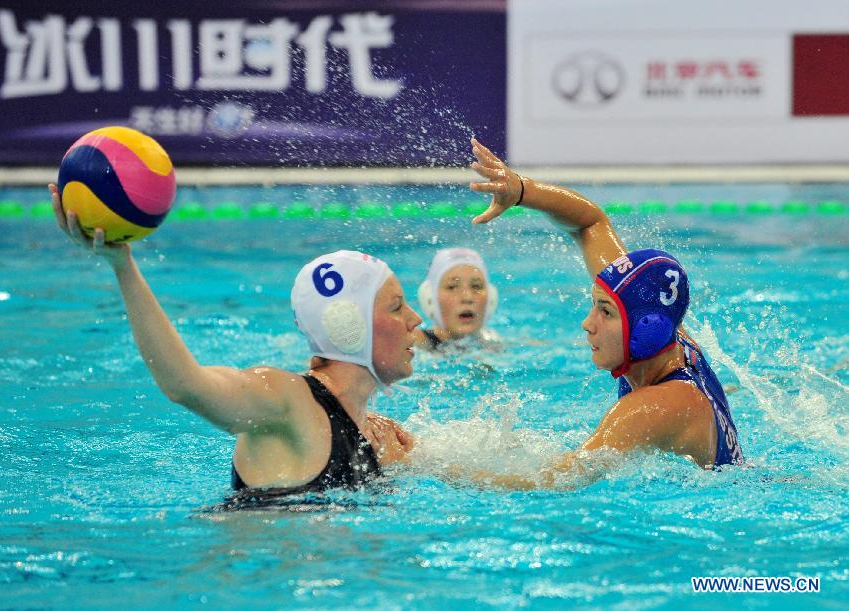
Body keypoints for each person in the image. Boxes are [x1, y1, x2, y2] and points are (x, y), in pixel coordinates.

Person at [48, 184, 418, 502]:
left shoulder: (379, 436)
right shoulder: (286, 402)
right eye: (397, 306)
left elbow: (470, 474)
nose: (415, 320)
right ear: (346, 324)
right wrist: (122, 266)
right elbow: (185, 386)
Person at [455, 139, 744, 489]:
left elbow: (551, 483)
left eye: (605, 312)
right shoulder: (664, 337)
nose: (587, 324)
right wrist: (521, 192)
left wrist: (424, 466)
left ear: (646, 331)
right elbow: (590, 223)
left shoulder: (655, 407)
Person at [414, 247, 501, 351]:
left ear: (491, 297)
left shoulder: (493, 343)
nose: (467, 297)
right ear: (430, 298)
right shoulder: (414, 344)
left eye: (476, 286)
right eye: (452, 287)